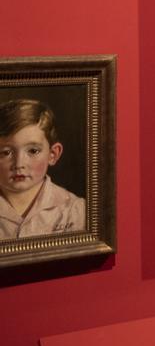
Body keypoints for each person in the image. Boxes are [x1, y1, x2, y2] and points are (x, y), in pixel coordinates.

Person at [0, 99, 85, 240]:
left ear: (53, 154)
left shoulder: (75, 210)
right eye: (5, 152)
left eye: (33, 151)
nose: (19, 164)